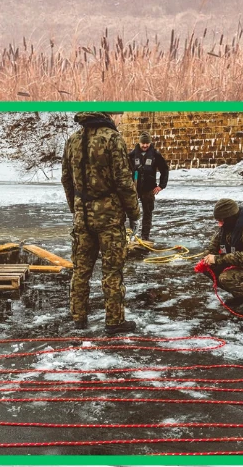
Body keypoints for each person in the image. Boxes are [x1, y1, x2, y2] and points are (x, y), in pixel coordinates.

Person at [62, 112, 141, 333]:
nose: (120, 119)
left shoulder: (73, 140)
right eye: (119, 115)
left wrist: (75, 208)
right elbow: (124, 181)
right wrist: (133, 211)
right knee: (112, 270)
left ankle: (78, 317)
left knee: (81, 270)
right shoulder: (112, 139)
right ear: (109, 115)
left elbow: (67, 180)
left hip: (82, 217)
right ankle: (114, 320)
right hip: (109, 217)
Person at [127, 132, 168, 242]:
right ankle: (131, 235)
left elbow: (164, 169)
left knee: (147, 213)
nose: (145, 145)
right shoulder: (132, 155)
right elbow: (125, 170)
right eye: (143, 143)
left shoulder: (155, 154)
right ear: (139, 142)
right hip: (135, 189)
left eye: (147, 143)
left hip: (149, 189)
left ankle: (145, 236)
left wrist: (161, 186)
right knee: (132, 213)